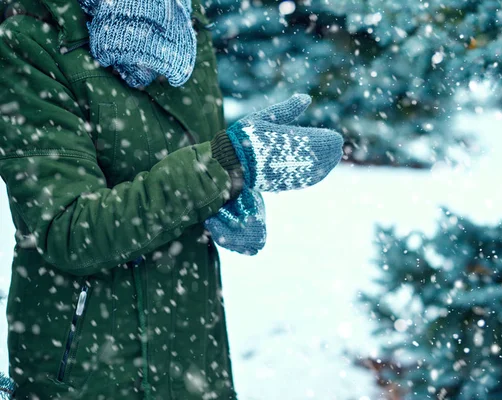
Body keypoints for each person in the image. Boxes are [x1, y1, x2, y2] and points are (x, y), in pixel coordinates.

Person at [0, 0, 343, 398]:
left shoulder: (186, 20)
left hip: (194, 353)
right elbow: (70, 230)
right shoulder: (31, 36)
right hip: (88, 369)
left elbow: (196, 154)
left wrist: (230, 197)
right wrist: (225, 166)